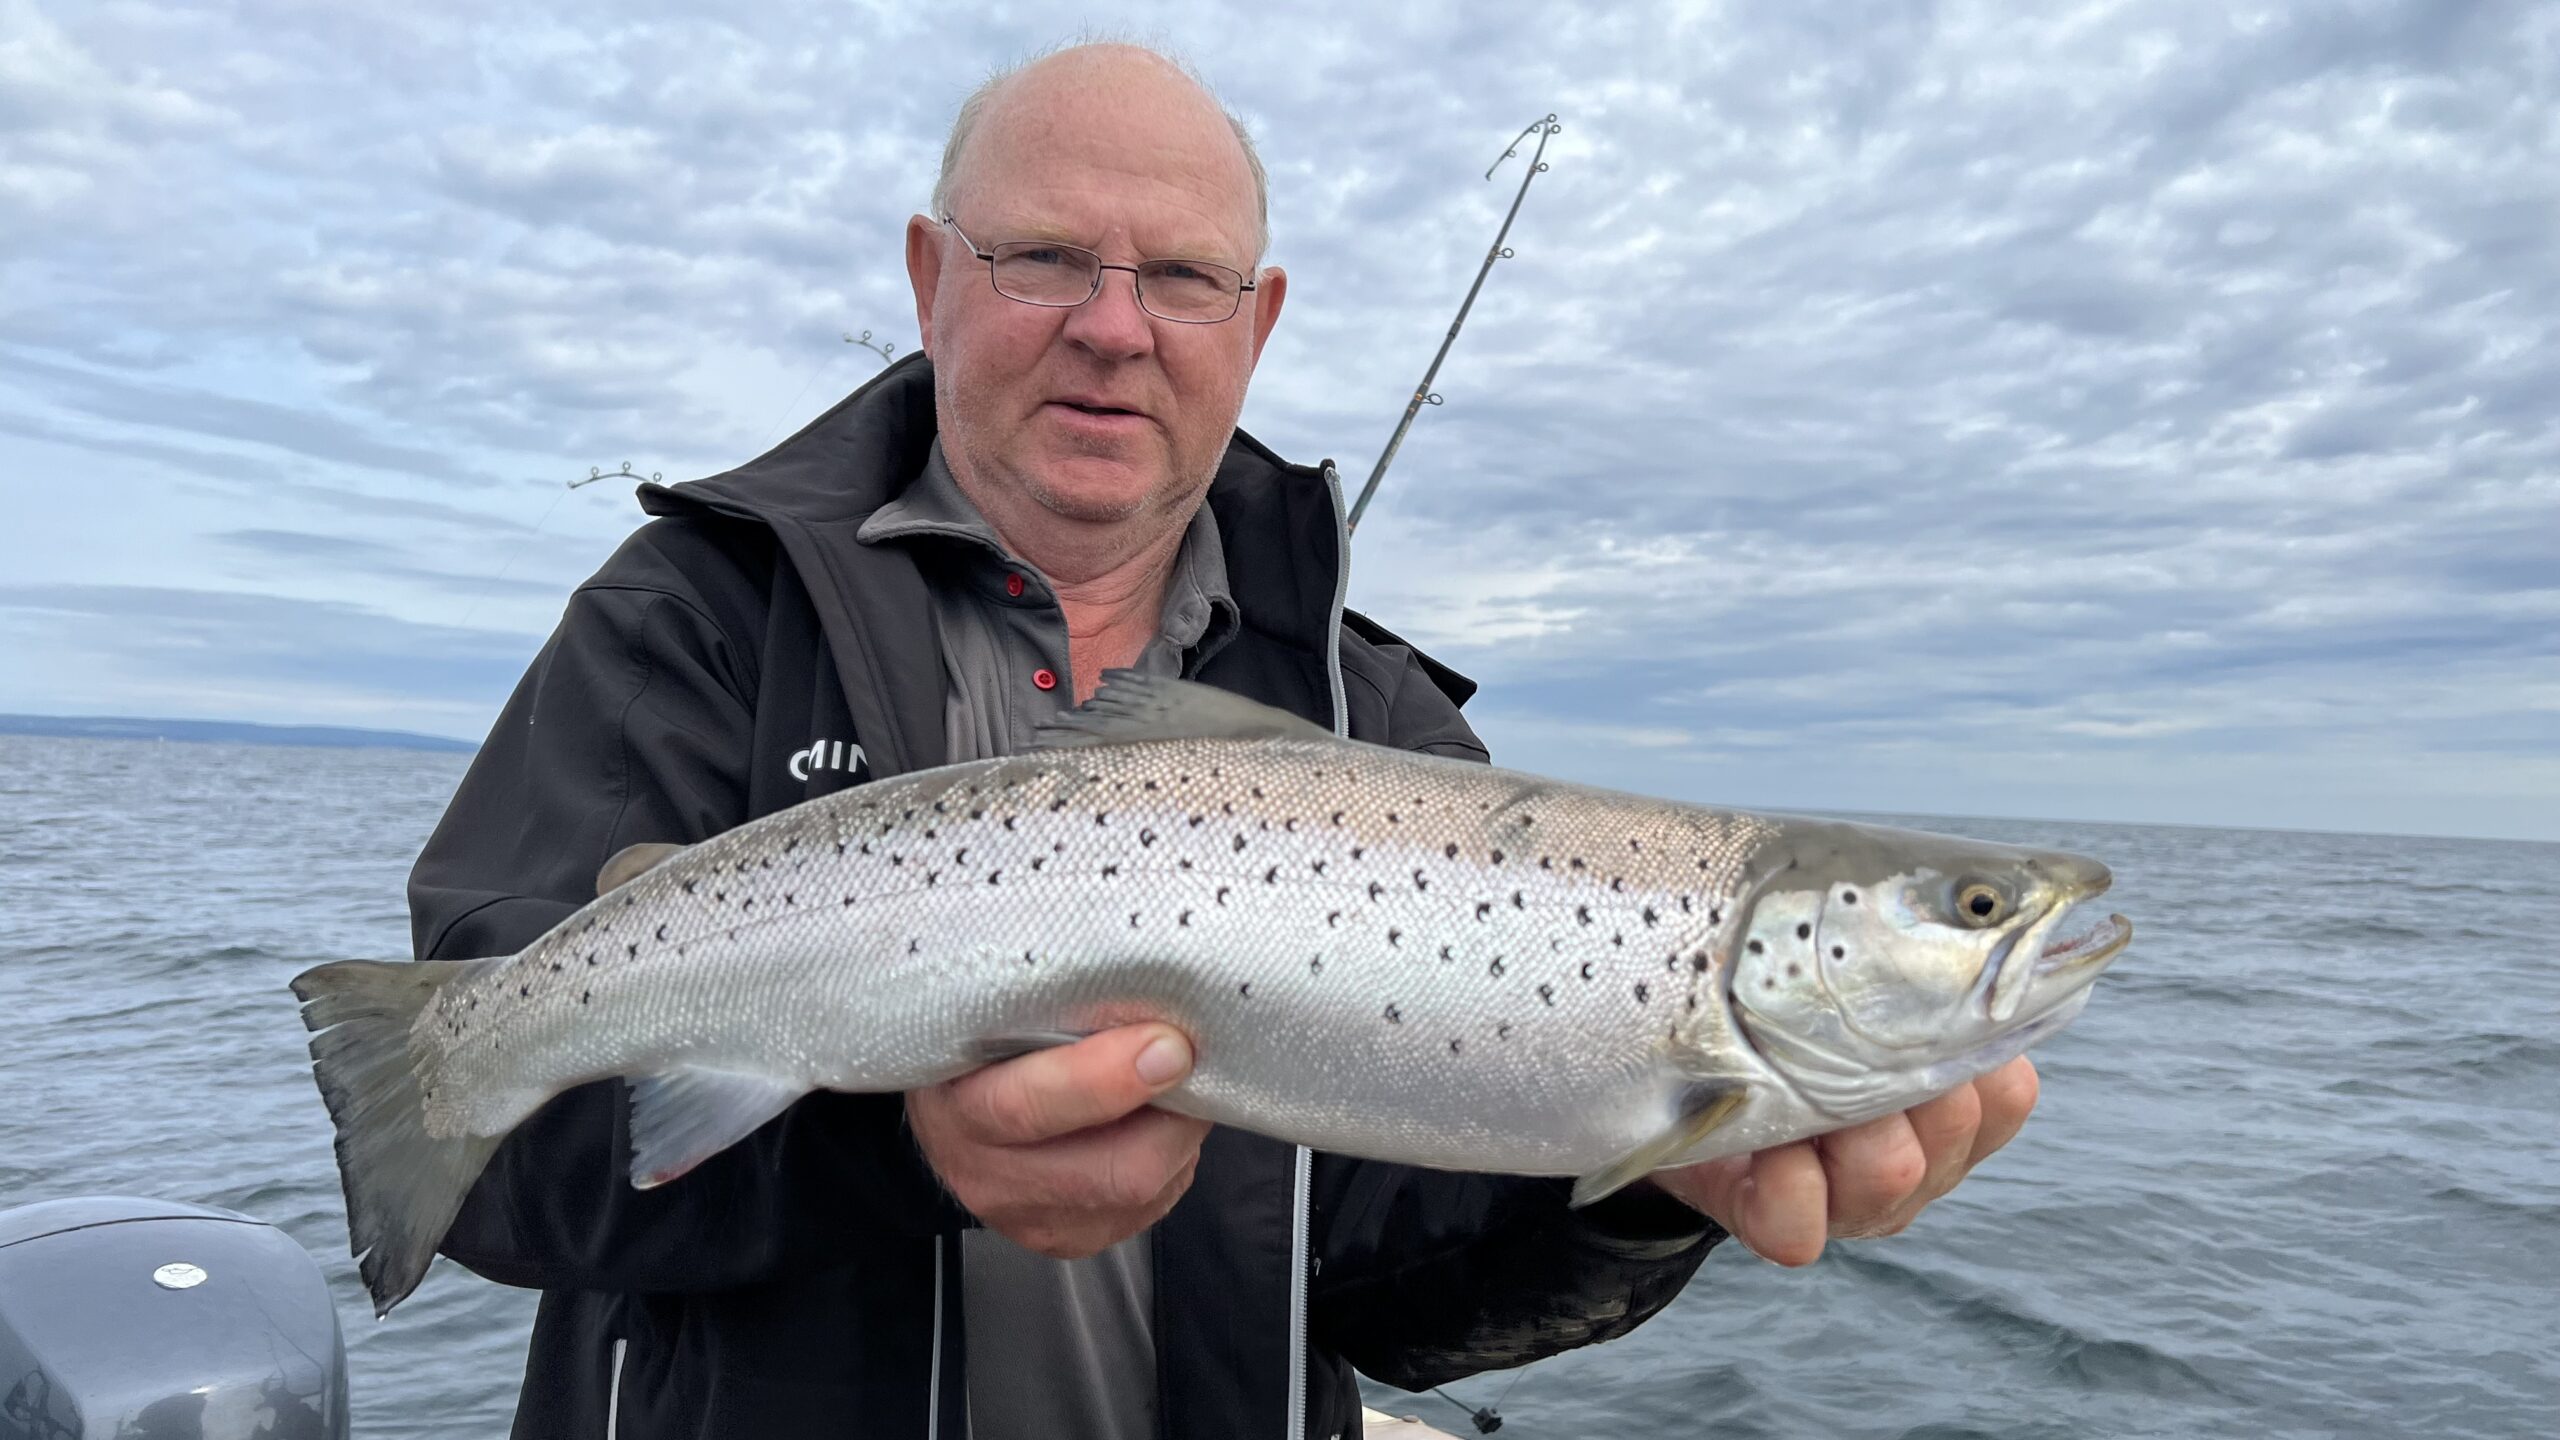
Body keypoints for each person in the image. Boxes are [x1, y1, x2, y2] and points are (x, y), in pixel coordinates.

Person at [408, 41, 2042, 1440]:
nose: (1116, 328)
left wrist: (1655, 1193)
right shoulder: (695, 616)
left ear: (1253, 322)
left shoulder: (1378, 724)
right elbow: (486, 1174)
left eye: (1183, 278)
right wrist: (909, 1156)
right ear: (930, 277)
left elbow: (1406, 1295)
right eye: (1045, 257)